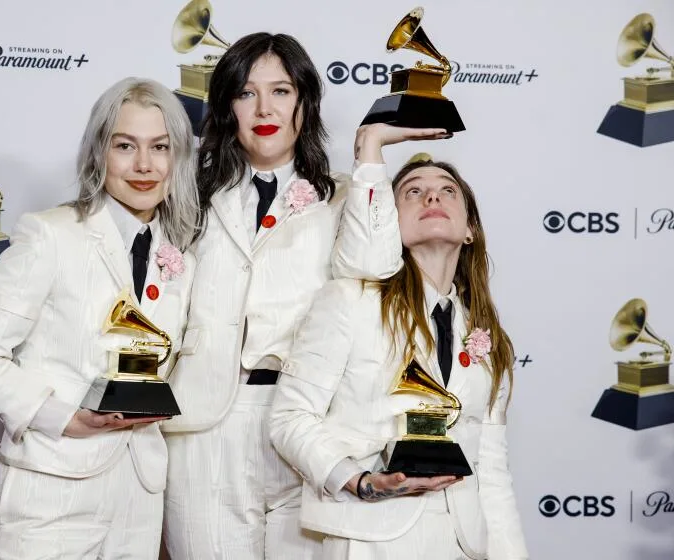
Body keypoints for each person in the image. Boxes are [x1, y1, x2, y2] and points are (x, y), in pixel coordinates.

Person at [160, 31, 448, 559]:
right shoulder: (187, 193)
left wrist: (369, 152)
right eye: (246, 93)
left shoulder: (345, 193)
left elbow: (374, 265)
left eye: (282, 91)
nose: (264, 108)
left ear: (305, 102)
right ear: (227, 107)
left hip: (310, 426)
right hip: (206, 427)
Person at [0, 77, 199, 560]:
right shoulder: (49, 235)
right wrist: (64, 418)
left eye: (160, 147)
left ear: (178, 158)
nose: (144, 165)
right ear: (98, 153)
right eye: (125, 146)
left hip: (140, 493)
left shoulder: (181, 251)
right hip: (52, 488)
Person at [268, 135, 529, 560]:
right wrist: (359, 480)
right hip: (371, 536)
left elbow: (492, 470)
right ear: (389, 220)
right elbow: (290, 419)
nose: (432, 195)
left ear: (469, 230)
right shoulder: (349, 301)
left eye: (448, 190)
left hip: (465, 543)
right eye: (412, 191)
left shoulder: (488, 336)